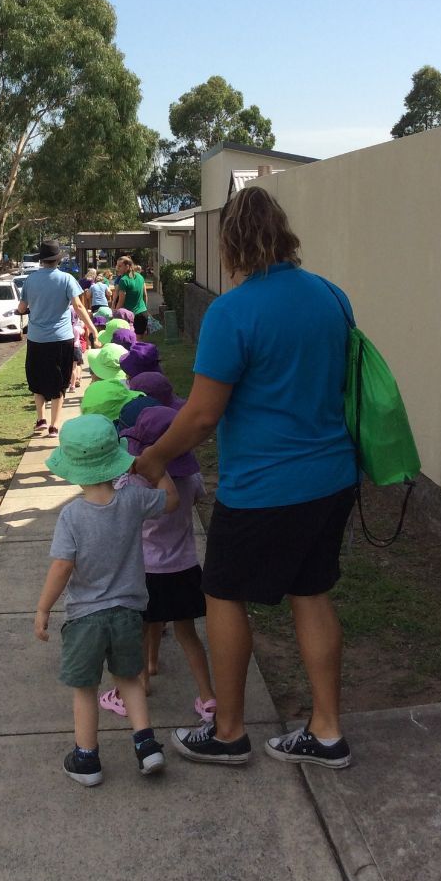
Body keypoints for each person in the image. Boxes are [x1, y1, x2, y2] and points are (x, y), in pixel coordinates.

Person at [133, 185, 358, 769]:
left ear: (231, 243)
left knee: (224, 593)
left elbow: (203, 415)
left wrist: (155, 455)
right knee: (312, 592)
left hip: (264, 486)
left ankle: (229, 731)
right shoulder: (332, 297)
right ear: (285, 234)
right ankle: (326, 731)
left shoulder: (233, 311)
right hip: (332, 476)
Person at [35, 413, 178, 786]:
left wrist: (43, 607)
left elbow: (62, 567)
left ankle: (86, 759)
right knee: (130, 679)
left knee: (85, 688)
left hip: (85, 618)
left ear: (72, 467)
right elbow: (171, 501)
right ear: (116, 457)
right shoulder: (133, 498)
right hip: (130, 612)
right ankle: (148, 747)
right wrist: (154, 468)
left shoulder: (71, 516)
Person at [98, 406, 216, 722]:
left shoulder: (133, 486)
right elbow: (198, 496)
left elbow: (115, 511)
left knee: (137, 635)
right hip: (184, 568)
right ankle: (207, 698)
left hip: (144, 572)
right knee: (187, 635)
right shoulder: (190, 479)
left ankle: (129, 693)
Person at [18, 240, 98, 437]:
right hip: (61, 338)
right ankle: (54, 426)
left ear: (41, 260)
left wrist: (26, 309)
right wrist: (92, 328)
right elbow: (78, 307)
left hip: (37, 339)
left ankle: (40, 420)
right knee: (59, 380)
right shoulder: (67, 279)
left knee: (37, 379)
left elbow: (21, 308)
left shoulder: (30, 280)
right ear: (58, 261)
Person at [111, 256, 149, 335]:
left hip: (129, 316)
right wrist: (145, 309)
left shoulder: (124, 280)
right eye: (117, 266)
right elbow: (145, 295)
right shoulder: (140, 277)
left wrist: (115, 315)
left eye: (120, 266)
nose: (117, 268)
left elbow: (121, 301)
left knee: (129, 341)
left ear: (127, 266)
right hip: (142, 313)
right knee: (140, 341)